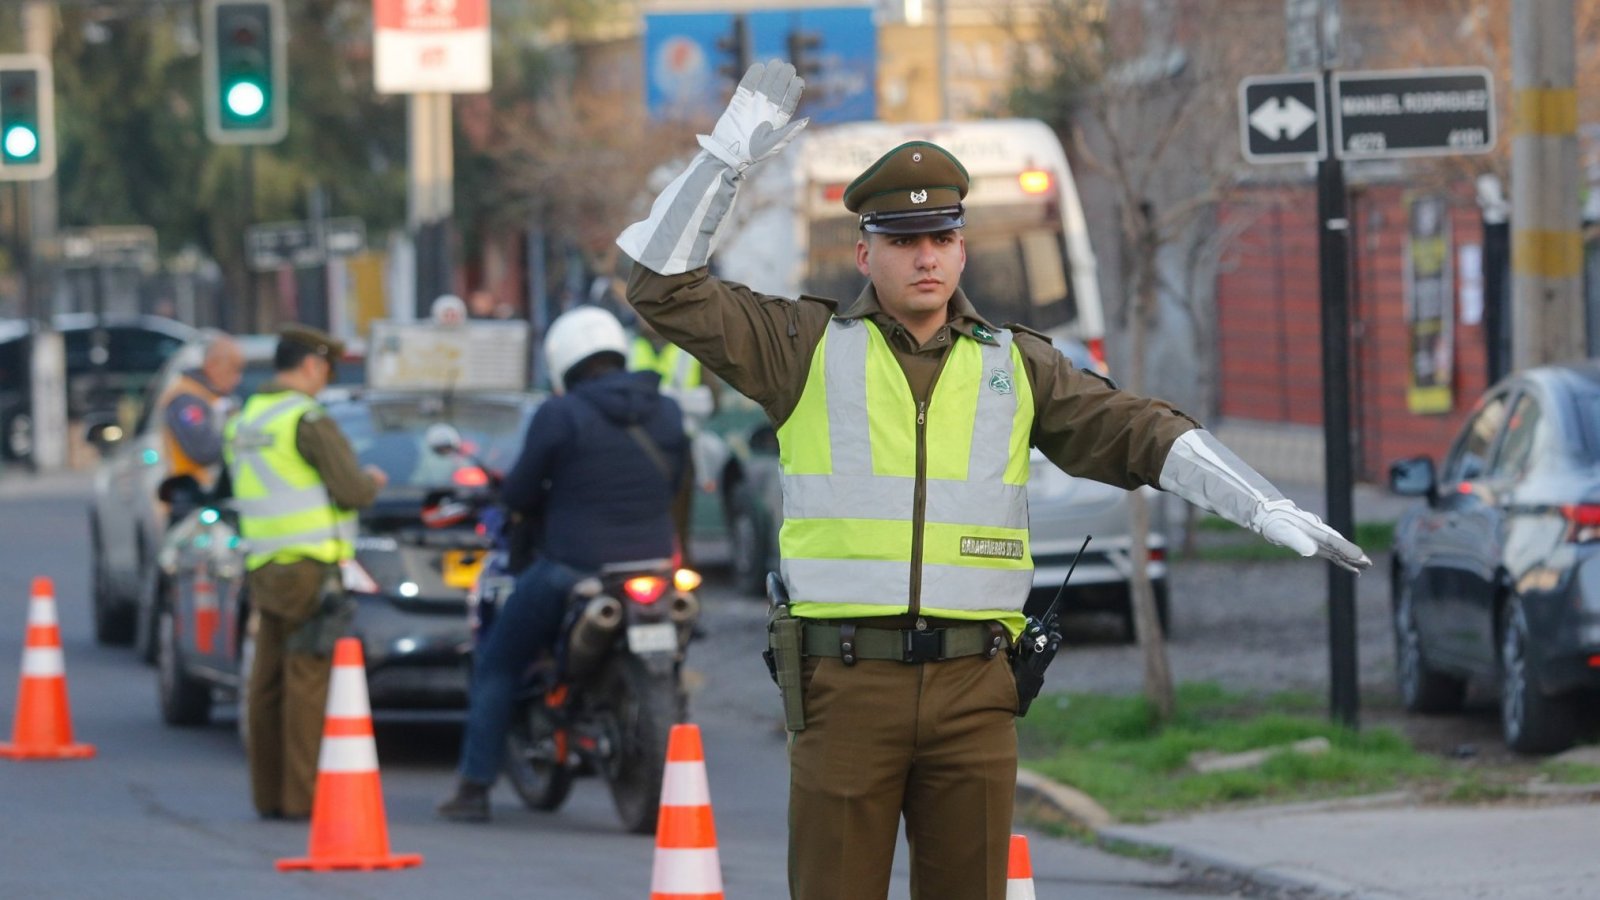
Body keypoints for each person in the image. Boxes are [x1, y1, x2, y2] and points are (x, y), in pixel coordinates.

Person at [615, 61, 1371, 900]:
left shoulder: (1018, 364)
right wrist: (726, 155)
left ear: (964, 246)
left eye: (941, 238)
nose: (925, 258)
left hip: (976, 690)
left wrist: (1256, 501)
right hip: (846, 687)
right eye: (903, 242)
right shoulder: (803, 348)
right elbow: (659, 286)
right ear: (863, 253)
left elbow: (1137, 428)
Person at [436, 306, 689, 822]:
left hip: (576, 568)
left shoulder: (560, 414)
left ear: (563, 364)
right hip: (658, 566)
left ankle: (473, 789)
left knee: (498, 660)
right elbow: (676, 480)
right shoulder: (666, 409)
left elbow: (523, 490)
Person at [224, 325, 387, 820]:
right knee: (307, 680)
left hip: (264, 563)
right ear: (313, 366)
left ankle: (268, 795)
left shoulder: (246, 418)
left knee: (266, 683)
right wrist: (373, 480)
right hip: (308, 567)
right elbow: (352, 490)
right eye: (327, 370)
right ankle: (303, 798)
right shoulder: (306, 418)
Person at [156, 333, 245, 508]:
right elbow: (203, 449)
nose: (238, 378)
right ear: (212, 365)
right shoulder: (186, 399)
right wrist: (239, 440)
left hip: (213, 495)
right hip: (189, 497)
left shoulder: (215, 398)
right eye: (233, 369)